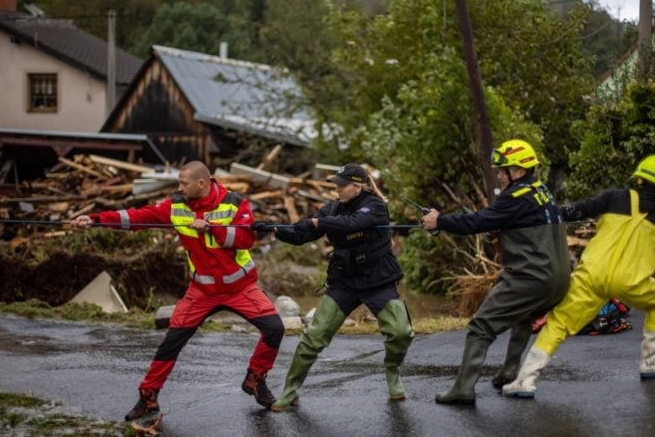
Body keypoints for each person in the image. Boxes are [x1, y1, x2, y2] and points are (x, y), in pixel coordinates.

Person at [71, 161, 285, 420]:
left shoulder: (234, 202)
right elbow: (139, 217)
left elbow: (246, 239)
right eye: (179, 183)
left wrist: (211, 228)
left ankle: (255, 379)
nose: (179, 188)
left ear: (202, 183)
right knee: (170, 343)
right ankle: (148, 397)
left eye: (184, 183)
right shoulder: (175, 206)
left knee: (275, 328)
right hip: (202, 291)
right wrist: (94, 220)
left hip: (239, 287)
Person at [503, 154, 655, 399]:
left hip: (592, 275)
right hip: (631, 280)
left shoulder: (614, 197)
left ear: (639, 179)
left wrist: (542, 214)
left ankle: (525, 380)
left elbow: (576, 210)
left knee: (559, 323)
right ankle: (649, 362)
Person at [421, 138, 571, 405]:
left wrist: (439, 221)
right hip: (558, 280)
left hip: (531, 277)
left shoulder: (515, 197)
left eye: (503, 170)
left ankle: (463, 389)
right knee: (523, 316)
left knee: (481, 327)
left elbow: (477, 221)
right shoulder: (541, 191)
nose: (499, 176)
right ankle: (509, 372)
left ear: (519, 171)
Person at [254, 163, 413, 411]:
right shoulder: (332, 208)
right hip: (344, 282)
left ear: (357, 186)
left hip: (377, 281)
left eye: (341, 185)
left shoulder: (375, 206)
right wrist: (275, 229)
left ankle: (392, 372)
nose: (336, 189)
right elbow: (301, 235)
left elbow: (352, 223)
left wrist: (318, 222)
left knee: (401, 332)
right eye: (335, 185)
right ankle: (290, 391)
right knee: (313, 338)